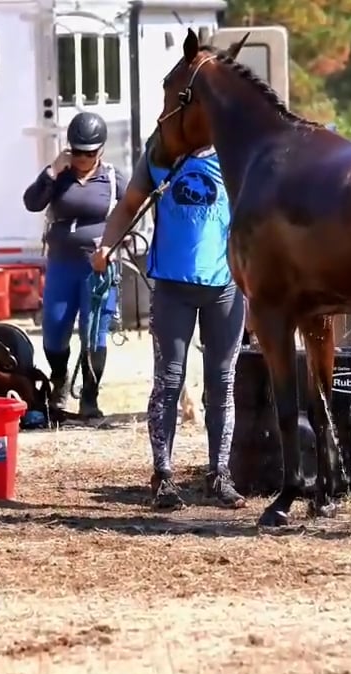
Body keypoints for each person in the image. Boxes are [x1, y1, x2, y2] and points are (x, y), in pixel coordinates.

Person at [92, 138, 245, 511]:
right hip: (172, 288)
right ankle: (163, 475)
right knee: (169, 381)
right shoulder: (160, 154)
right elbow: (129, 204)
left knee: (222, 381)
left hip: (225, 287)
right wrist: (106, 246)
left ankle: (219, 474)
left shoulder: (235, 154)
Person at [22, 112, 127, 419]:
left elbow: (133, 210)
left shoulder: (111, 177)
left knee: (94, 333)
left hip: (97, 269)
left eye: (90, 153)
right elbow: (31, 202)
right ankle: (59, 380)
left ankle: (90, 397)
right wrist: (52, 171)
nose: (83, 158)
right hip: (61, 265)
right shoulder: (60, 176)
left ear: (101, 151)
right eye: (78, 152)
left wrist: (110, 246)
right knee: (54, 331)